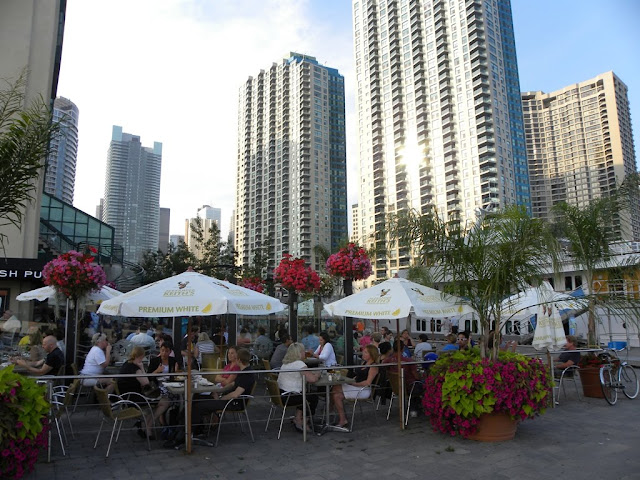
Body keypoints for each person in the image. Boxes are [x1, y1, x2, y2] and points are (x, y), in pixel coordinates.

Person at [191, 348, 256, 438]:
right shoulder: (242, 372)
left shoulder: (247, 375)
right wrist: (216, 391)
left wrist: (221, 398)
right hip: (229, 399)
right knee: (197, 398)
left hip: (234, 403)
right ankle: (197, 429)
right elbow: (231, 385)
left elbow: (235, 394)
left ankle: (192, 432)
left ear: (239, 360)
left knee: (199, 406)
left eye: (236, 358)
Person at [332, 344, 380, 429]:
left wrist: (353, 384)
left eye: (366, 353)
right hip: (356, 387)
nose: (363, 354)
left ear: (371, 354)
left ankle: (340, 417)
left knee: (336, 391)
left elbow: (368, 382)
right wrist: (350, 381)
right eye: (363, 352)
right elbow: (358, 376)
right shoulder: (364, 363)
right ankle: (341, 417)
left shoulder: (373, 366)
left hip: (363, 390)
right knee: (336, 392)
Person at [277, 342, 320, 432]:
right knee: (313, 397)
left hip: (281, 395)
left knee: (306, 395)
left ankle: (298, 418)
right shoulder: (299, 364)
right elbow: (312, 379)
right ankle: (304, 421)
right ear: (299, 353)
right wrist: (318, 375)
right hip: (290, 397)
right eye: (303, 351)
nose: (304, 353)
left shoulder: (285, 363)